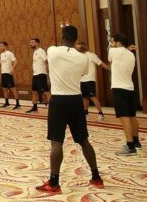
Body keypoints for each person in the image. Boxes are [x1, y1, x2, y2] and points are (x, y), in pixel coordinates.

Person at [36, 25, 103, 194]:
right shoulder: (83, 58)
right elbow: (83, 73)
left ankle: (54, 182)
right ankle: (96, 177)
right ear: (76, 39)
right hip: (76, 100)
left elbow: (50, 63)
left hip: (58, 100)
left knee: (56, 142)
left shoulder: (52, 51)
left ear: (61, 37)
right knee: (83, 140)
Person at [109, 34, 140, 155]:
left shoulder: (113, 51)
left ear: (118, 43)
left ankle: (130, 146)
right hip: (129, 88)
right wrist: (127, 48)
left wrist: (121, 48)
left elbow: (111, 58)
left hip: (118, 88)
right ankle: (136, 141)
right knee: (132, 116)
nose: (111, 44)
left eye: (112, 41)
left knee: (124, 117)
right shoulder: (131, 54)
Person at [76, 42, 107, 121]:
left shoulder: (92, 55)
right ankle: (86, 114)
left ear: (83, 47)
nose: (77, 49)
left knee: (92, 97)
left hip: (90, 80)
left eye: (78, 47)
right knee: (84, 98)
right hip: (81, 80)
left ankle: (101, 115)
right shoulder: (79, 56)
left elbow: (101, 64)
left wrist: (111, 70)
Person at [0, 42, 19, 109]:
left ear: (5, 46)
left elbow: (16, 61)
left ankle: (17, 104)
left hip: (8, 74)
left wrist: (12, 69)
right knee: (4, 88)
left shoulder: (10, 53)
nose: (0, 47)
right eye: (0, 46)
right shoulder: (1, 54)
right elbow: (1, 63)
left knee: (13, 88)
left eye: (2, 46)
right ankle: (7, 103)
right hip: (3, 73)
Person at [26, 38, 49, 113]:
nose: (31, 44)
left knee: (45, 92)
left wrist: (46, 70)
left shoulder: (41, 51)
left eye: (32, 42)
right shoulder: (35, 52)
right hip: (35, 75)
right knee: (34, 91)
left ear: (37, 43)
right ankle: (35, 107)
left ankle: (53, 108)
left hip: (41, 74)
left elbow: (46, 60)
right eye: (31, 42)